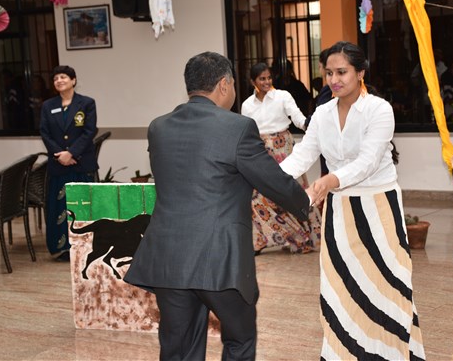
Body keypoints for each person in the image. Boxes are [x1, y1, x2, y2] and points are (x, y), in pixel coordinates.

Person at [124, 51, 311, 361]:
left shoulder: (159, 127)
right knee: (239, 341)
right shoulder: (237, 127)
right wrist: (307, 201)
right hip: (221, 261)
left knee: (179, 349)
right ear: (224, 84)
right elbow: (272, 180)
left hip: (170, 260)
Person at [280, 41, 426, 360]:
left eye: (342, 72)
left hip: (378, 208)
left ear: (360, 73)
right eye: (329, 73)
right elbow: (302, 155)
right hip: (340, 211)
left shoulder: (379, 110)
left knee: (387, 286)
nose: (334, 79)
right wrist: (270, 178)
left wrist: (328, 180)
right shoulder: (322, 114)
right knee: (341, 287)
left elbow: (368, 162)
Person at [241, 62, 321, 255]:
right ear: (253, 81)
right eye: (262, 79)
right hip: (260, 152)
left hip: (284, 149)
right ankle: (263, 240)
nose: (267, 82)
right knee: (256, 196)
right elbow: (247, 131)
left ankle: (303, 237)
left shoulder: (283, 96)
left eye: (269, 77)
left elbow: (298, 119)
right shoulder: (247, 105)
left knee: (290, 193)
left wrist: (312, 125)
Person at [40, 65, 98, 262]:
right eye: (56, 78)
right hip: (59, 165)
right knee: (59, 206)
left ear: (73, 80)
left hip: (81, 163)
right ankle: (62, 248)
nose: (59, 81)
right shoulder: (48, 106)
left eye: (63, 77)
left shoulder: (87, 103)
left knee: (83, 205)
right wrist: (61, 155)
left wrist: (71, 153)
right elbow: (45, 133)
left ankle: (86, 247)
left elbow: (89, 131)